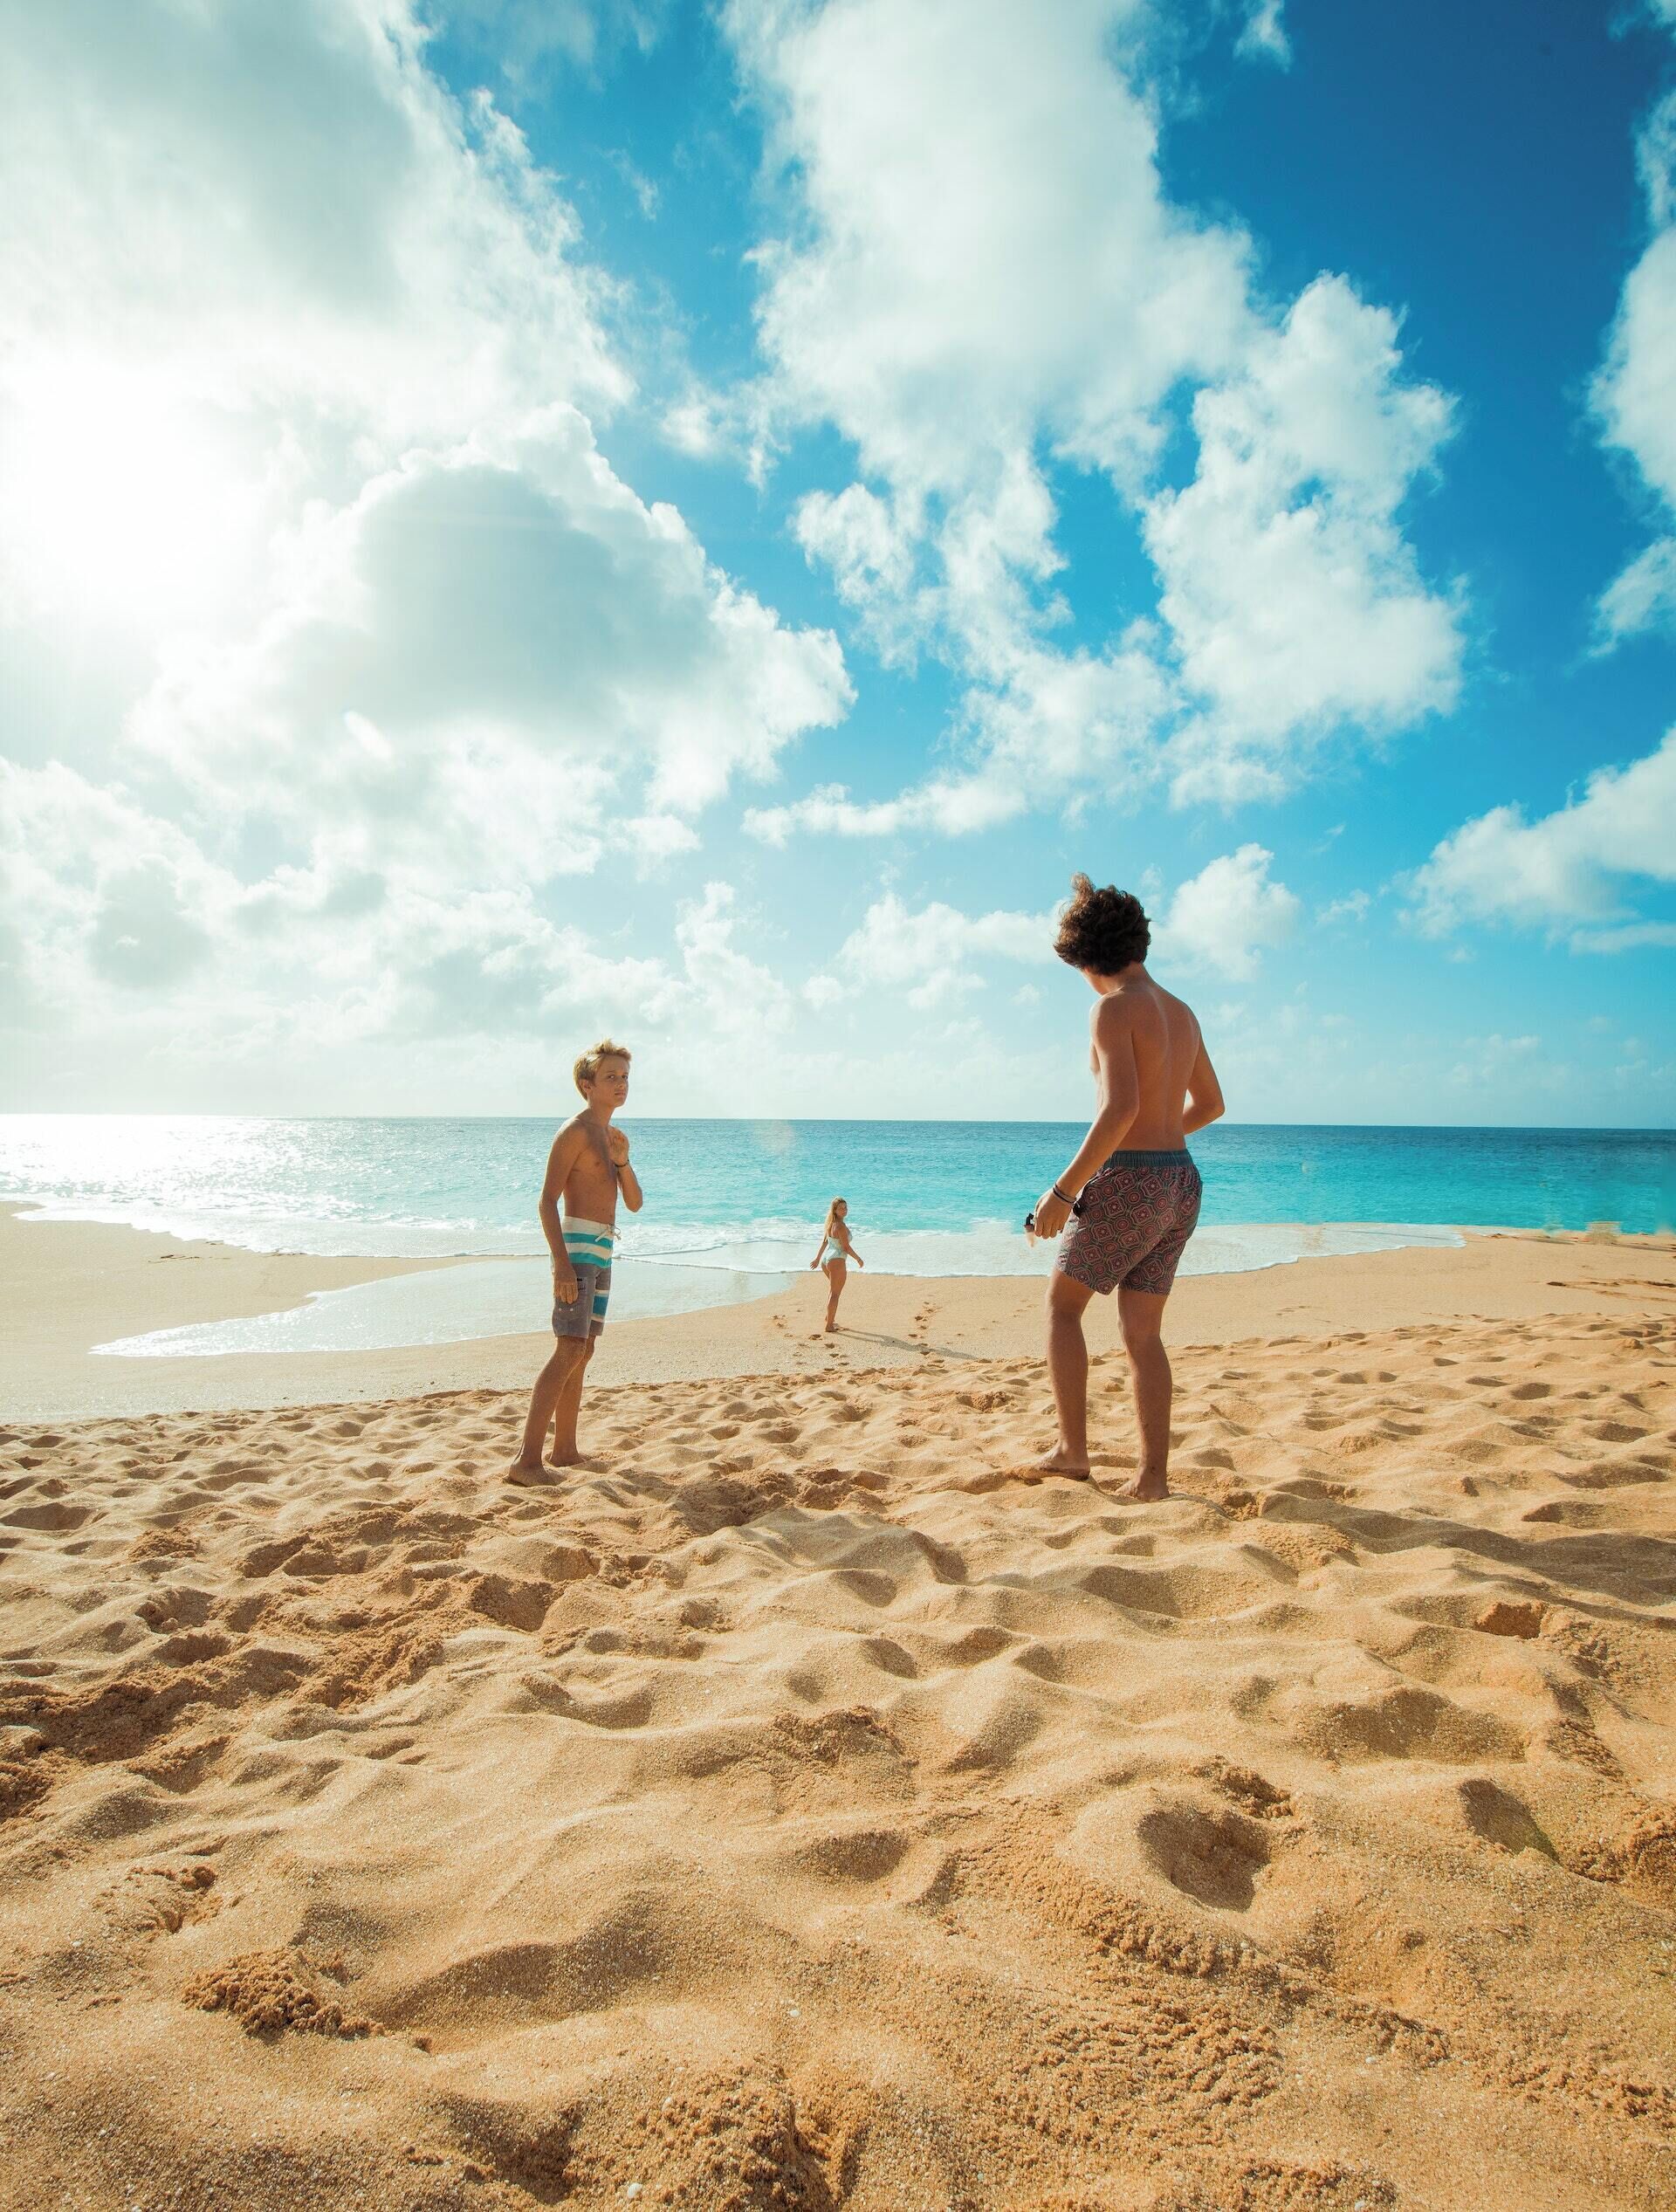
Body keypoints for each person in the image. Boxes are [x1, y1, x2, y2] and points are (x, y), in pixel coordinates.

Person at [1027, 875, 1225, 1499]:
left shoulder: (1112, 1008)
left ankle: (1072, 1452)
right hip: (1181, 1183)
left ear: (1087, 959)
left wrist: (1062, 1193)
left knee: (1063, 1307)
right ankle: (1152, 1478)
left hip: (1133, 1179)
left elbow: (1118, 1109)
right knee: (1143, 1333)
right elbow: (1211, 1105)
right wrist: (1163, 1140)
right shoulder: (1182, 1011)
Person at [509, 1040, 642, 1482]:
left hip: (603, 1250)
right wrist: (562, 1266)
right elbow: (546, 1201)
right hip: (578, 1252)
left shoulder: (611, 1138)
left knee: (583, 1350)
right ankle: (526, 1461)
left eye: (624, 1077)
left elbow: (636, 1203)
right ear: (587, 1085)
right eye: (611, 1077)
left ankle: (564, 1450)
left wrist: (623, 1163)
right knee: (568, 1348)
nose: (621, 1084)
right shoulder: (576, 1132)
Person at [808, 1196, 863, 1331]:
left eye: (846, 1207)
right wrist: (858, 1259)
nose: (844, 1210)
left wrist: (817, 1259)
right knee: (835, 1294)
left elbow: (825, 1242)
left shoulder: (831, 1223)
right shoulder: (840, 1226)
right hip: (836, 1260)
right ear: (835, 1210)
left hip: (826, 1260)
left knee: (833, 1291)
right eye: (841, 1208)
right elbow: (846, 1248)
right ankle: (829, 1326)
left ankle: (829, 1319)